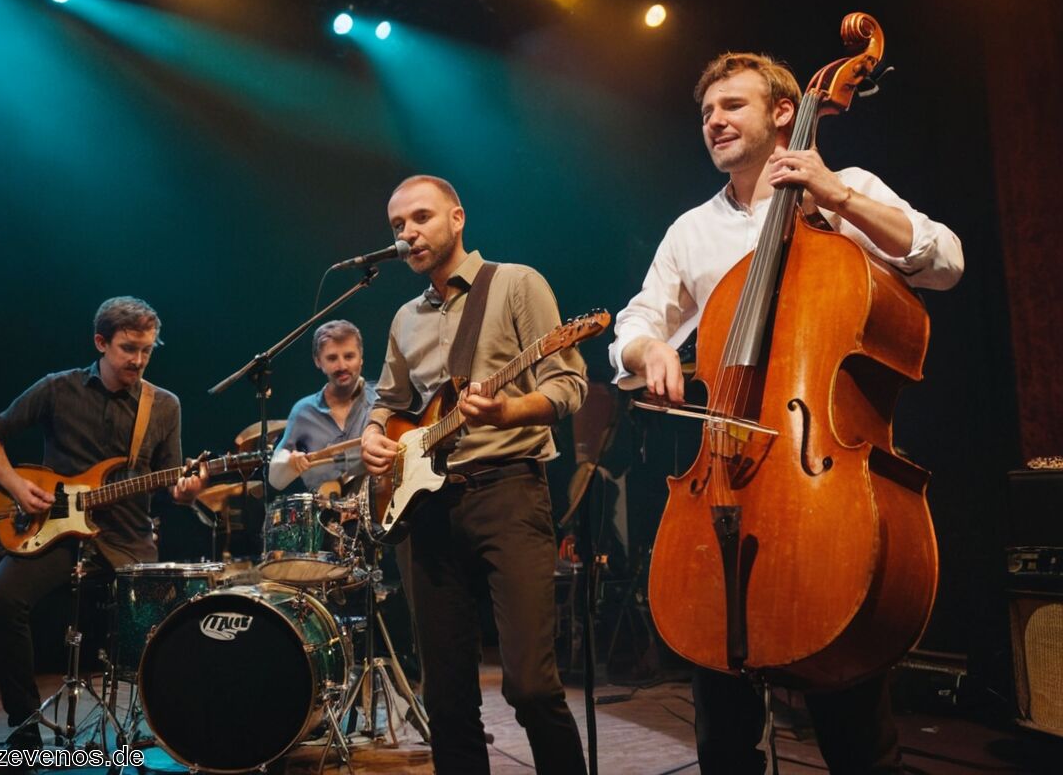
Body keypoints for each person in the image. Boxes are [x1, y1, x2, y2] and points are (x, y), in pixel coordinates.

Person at [609, 52, 964, 773]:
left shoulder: (848, 188)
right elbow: (636, 322)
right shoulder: (691, 231)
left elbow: (945, 261)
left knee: (858, 741)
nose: (714, 122)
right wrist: (646, 351)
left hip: (820, 494)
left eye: (732, 106)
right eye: (707, 113)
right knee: (722, 737)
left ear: (781, 112)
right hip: (724, 488)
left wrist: (839, 197)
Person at [361, 175, 589, 775]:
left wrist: (509, 408)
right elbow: (387, 401)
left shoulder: (515, 284)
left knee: (532, 686)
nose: (407, 233)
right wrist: (373, 437)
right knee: (446, 695)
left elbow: (568, 384)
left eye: (420, 218)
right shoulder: (404, 316)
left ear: (457, 218)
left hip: (507, 491)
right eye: (397, 226)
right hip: (424, 510)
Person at [0, 296, 206, 749]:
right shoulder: (58, 389)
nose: (138, 360)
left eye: (147, 350)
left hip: (126, 542)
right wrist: (18, 488)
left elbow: (173, 481)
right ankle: (24, 734)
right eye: (128, 348)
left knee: (168, 626)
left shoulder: (164, 406)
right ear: (101, 342)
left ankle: (162, 726)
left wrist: (187, 490)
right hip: (54, 535)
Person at [269, 319, 375, 495]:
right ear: (318, 361)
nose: (342, 366)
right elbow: (275, 480)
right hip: (325, 517)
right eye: (332, 358)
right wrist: (289, 462)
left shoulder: (381, 401)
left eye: (349, 356)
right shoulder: (303, 411)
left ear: (361, 357)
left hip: (380, 512)